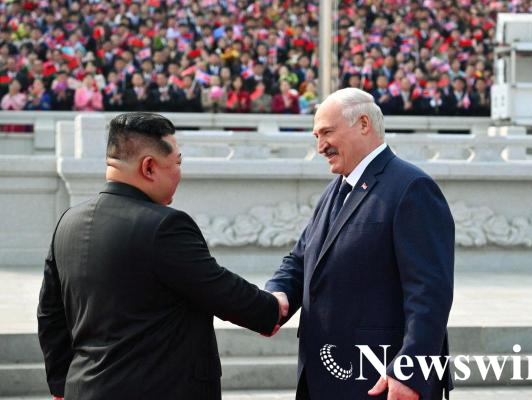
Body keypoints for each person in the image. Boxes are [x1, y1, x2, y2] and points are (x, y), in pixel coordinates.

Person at [38, 113, 288, 400]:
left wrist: (61, 385)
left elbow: (50, 314)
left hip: (83, 389)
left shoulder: (68, 222)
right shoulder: (164, 226)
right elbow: (219, 289)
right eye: (177, 163)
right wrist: (270, 308)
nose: (179, 172)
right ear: (149, 167)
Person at [265, 88, 454, 400]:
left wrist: (410, 371)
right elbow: (301, 260)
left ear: (363, 124)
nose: (320, 146)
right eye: (316, 136)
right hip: (325, 377)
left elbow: (429, 293)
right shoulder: (334, 191)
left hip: (380, 379)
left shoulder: (412, 187)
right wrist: (276, 293)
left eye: (327, 132)